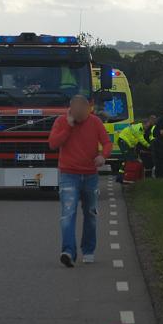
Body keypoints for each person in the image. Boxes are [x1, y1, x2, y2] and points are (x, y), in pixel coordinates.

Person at [48, 95, 112, 268]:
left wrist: (102, 156)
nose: (80, 115)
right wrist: (68, 127)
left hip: (90, 175)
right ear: (70, 109)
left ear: (87, 109)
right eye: (76, 112)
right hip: (69, 174)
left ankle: (88, 250)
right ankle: (68, 251)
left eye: (83, 112)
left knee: (90, 213)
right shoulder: (62, 122)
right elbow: (53, 144)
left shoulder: (95, 122)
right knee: (68, 214)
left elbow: (107, 143)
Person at [115, 117, 152, 183]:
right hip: (123, 141)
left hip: (126, 143)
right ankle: (125, 177)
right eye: (147, 125)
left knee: (128, 159)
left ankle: (121, 176)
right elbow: (141, 140)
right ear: (143, 124)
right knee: (129, 159)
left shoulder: (141, 129)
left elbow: (135, 141)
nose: (147, 127)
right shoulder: (139, 129)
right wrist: (149, 146)